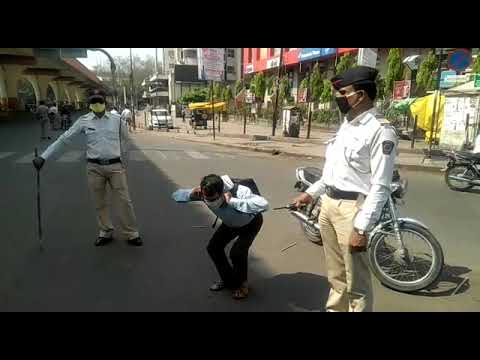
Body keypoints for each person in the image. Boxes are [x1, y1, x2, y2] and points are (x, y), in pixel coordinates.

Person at [292, 66, 398, 312]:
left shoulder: (381, 130)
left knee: (356, 281)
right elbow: (334, 172)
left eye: (344, 92)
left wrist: (361, 227)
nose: (339, 97)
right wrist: (311, 193)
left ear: (361, 95)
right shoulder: (347, 124)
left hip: (352, 210)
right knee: (336, 275)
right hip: (328, 205)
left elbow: (380, 185)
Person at [32, 89, 143, 247]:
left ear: (105, 101)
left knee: (124, 201)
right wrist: (43, 157)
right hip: (94, 168)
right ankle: (105, 231)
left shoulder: (117, 120)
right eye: (94, 101)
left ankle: (132, 233)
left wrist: (120, 155)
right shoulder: (84, 121)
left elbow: (127, 139)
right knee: (100, 202)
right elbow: (64, 139)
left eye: (99, 100)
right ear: (90, 103)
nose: (97, 104)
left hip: (115, 166)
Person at [172, 174, 269, 300]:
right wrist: (189, 194)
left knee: (237, 253)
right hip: (230, 224)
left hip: (251, 223)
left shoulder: (239, 191)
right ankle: (228, 281)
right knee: (213, 248)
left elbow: (264, 204)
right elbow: (176, 195)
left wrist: (232, 201)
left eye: (213, 199)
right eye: (207, 198)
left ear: (222, 191)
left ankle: (242, 285)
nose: (210, 202)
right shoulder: (203, 193)